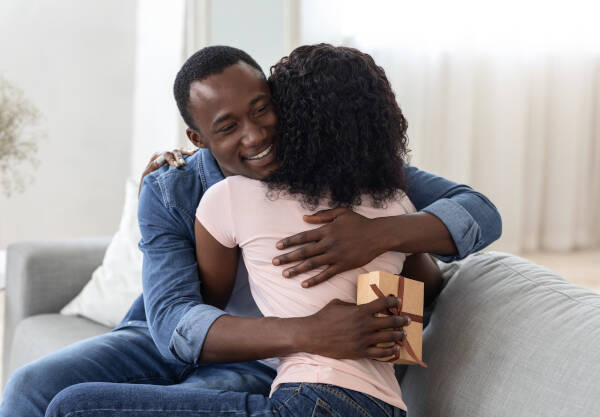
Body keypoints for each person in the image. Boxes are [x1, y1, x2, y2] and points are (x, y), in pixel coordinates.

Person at [0, 45, 501, 417]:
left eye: (262, 108)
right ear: (197, 138)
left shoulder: (342, 166)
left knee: (185, 402)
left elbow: (480, 212)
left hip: (271, 363)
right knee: (30, 388)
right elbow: (174, 322)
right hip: (174, 338)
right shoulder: (174, 188)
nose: (256, 135)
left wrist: (380, 234)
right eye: (227, 126)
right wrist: (310, 330)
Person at [191, 43, 444, 416]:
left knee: (77, 402)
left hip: (310, 400)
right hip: (386, 405)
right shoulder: (396, 205)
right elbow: (428, 288)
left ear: (292, 118)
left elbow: (205, 309)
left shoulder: (231, 197)